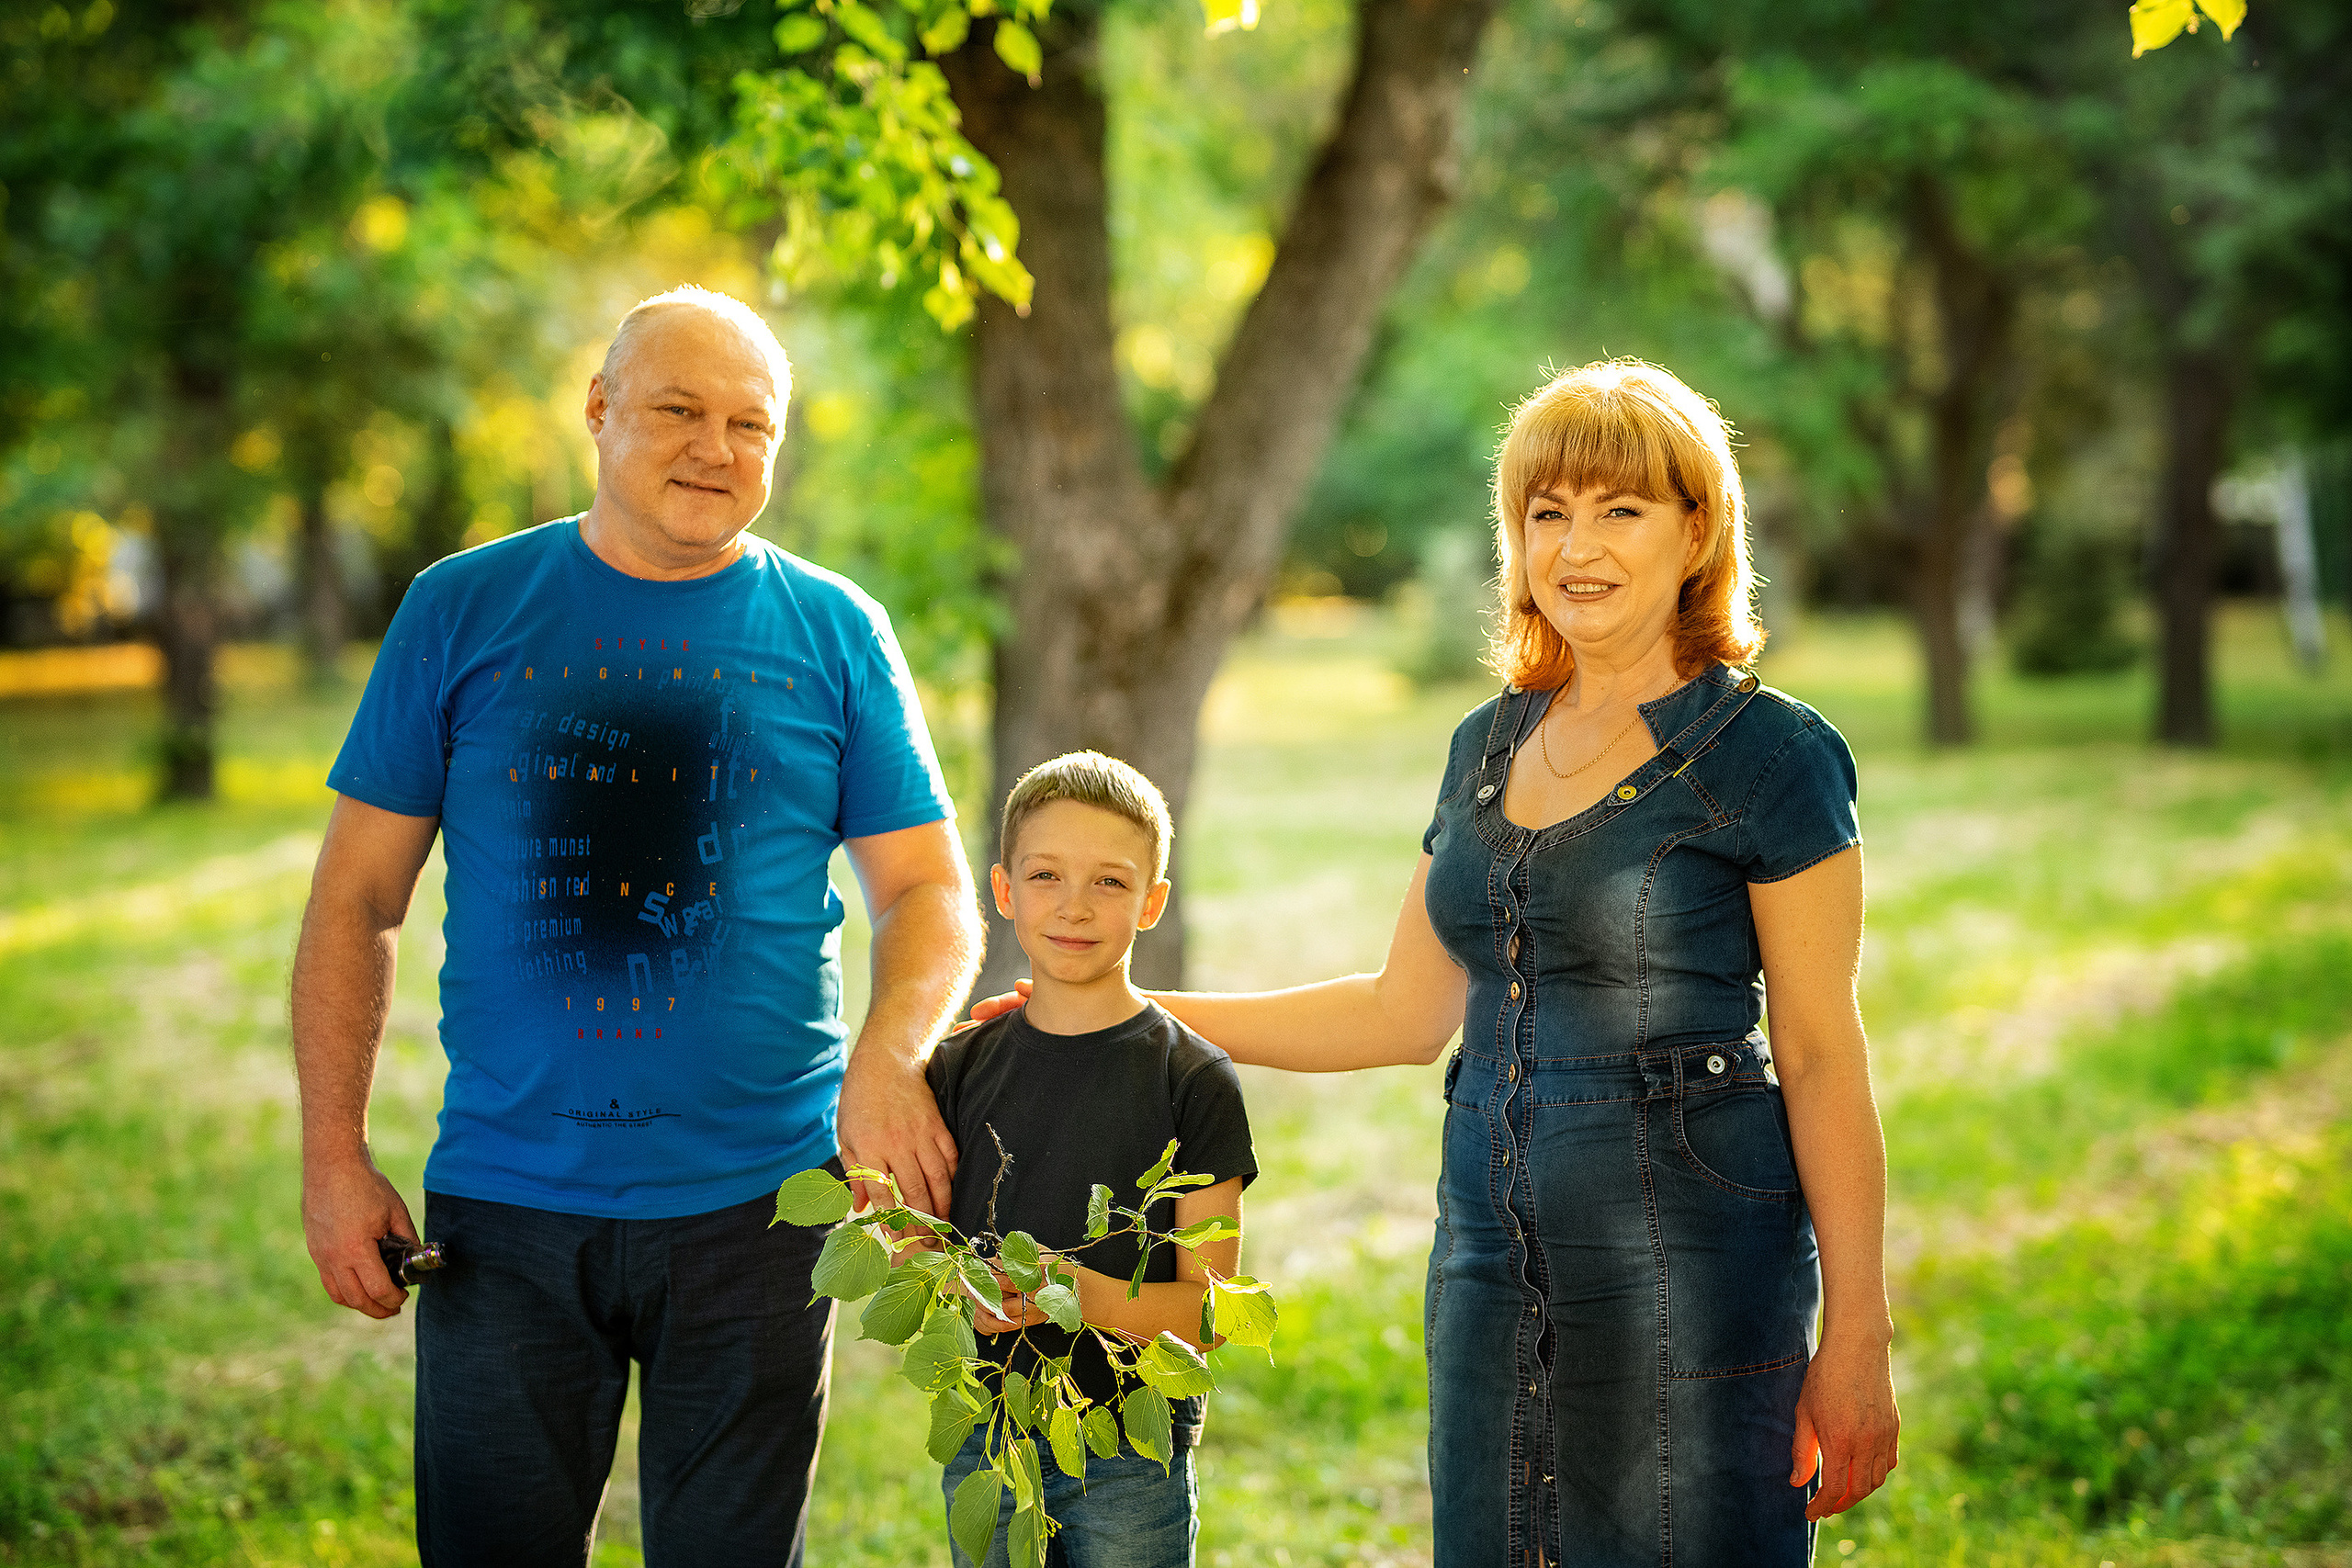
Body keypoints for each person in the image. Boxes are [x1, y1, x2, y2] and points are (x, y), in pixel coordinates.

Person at [977, 359, 1900, 1565]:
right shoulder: (1486, 743)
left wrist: (1859, 1334)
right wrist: (1130, 1008)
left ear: (1697, 529)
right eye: (1546, 511)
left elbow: (1824, 1050)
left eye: (1620, 509)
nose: (1577, 544)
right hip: (1485, 1242)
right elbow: (1401, 1010)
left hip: (1689, 1252)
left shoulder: (1773, 754)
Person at [290, 284, 981, 1568]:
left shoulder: (835, 630)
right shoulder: (462, 607)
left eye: (751, 424)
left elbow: (931, 889)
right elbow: (355, 900)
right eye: (677, 409)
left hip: (763, 1210)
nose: (716, 449)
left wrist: (888, 1055)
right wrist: (335, 1155)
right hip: (507, 1204)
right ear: (598, 409)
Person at [928, 751, 1255, 1568]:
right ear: (1002, 891)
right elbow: (917, 1231)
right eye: (1046, 875)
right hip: (992, 1429)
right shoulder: (960, 1067)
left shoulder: (1193, 1079)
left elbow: (1209, 1313)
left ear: (1152, 903)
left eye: (1109, 882)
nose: (1074, 905)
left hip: (1129, 1445)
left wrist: (1074, 1293)